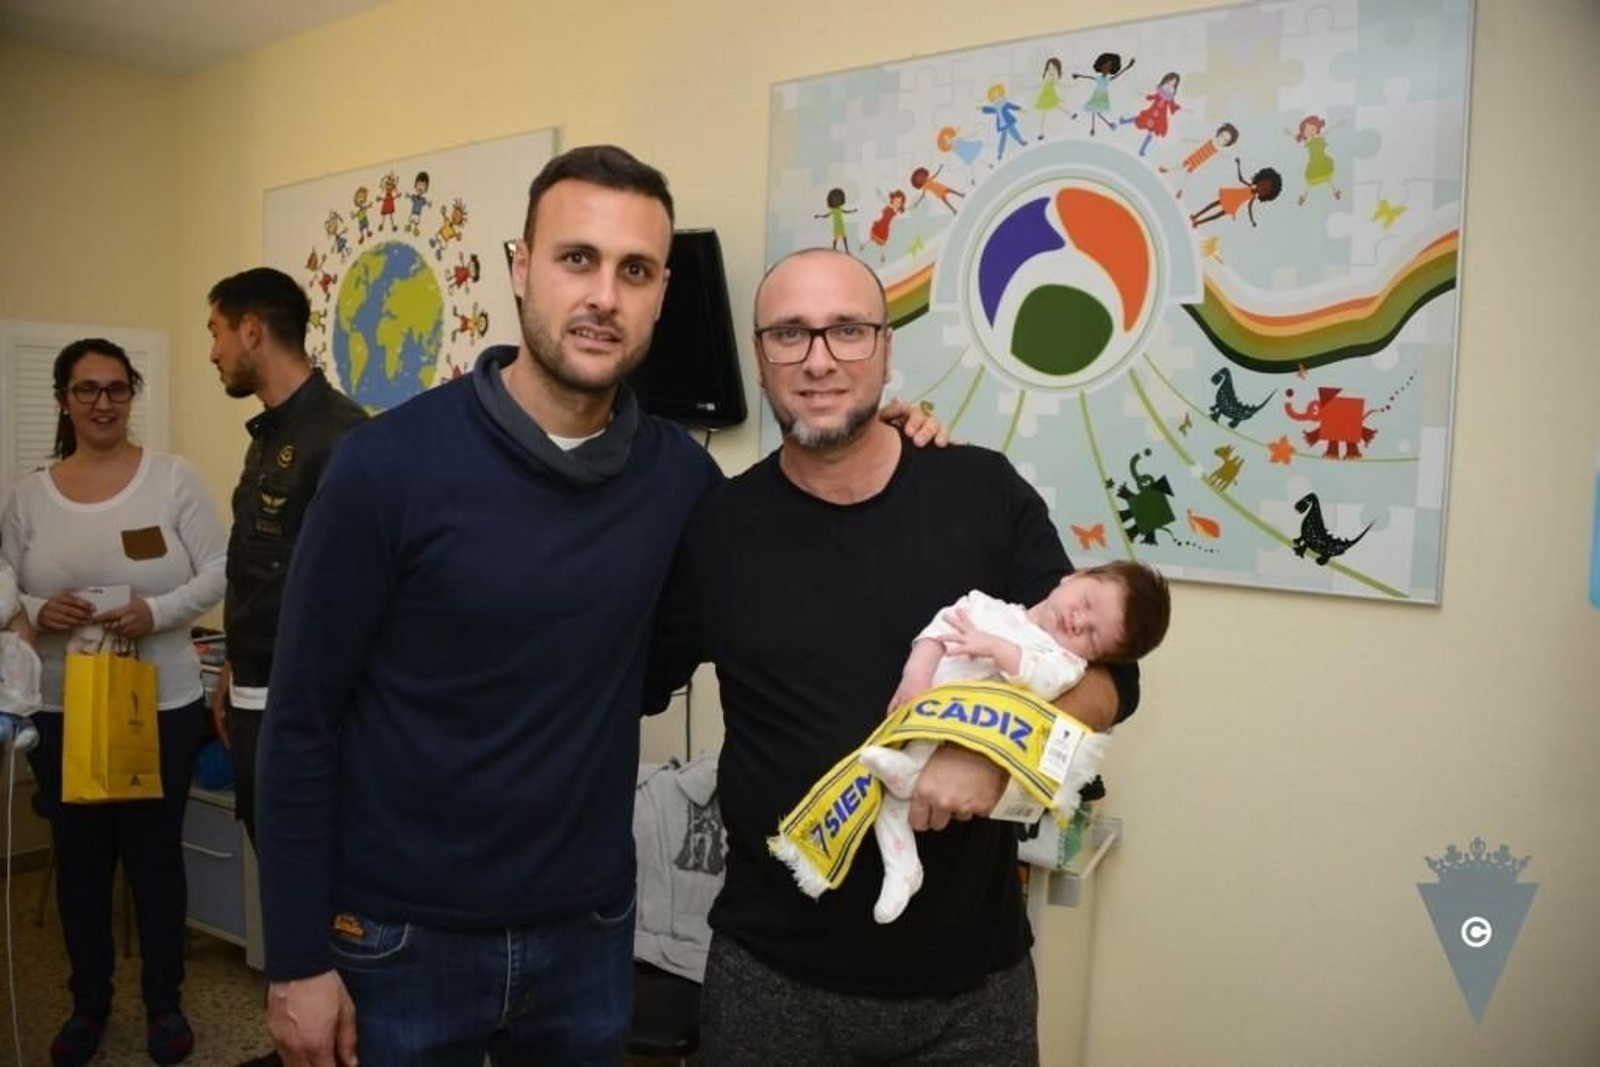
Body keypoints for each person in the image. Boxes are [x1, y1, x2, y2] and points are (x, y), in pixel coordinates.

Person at [254, 146, 943, 1067]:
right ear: (519, 268)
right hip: (399, 937)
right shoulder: (385, 468)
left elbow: (771, 549)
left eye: (636, 271)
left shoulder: (681, 482)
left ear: (661, 293)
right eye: (576, 258)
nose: (604, 296)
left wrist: (887, 444)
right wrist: (297, 960)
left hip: (587, 933)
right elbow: (300, 723)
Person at [644, 247, 1140, 1064]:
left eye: (847, 329)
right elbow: (627, 678)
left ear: (884, 347)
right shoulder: (719, 527)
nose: (819, 358)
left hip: (968, 996)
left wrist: (993, 752)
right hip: (770, 981)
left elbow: (1113, 677)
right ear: (760, 355)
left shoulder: (981, 490)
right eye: (788, 334)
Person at [0, 338, 228, 1066]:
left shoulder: (173, 479)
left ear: (133, 394)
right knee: (81, 862)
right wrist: (37, 605)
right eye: (87, 389)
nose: (103, 402)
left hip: (158, 704)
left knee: (154, 859)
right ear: (64, 399)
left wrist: (154, 611)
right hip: (65, 706)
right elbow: (4, 583)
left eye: (117, 388)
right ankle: (86, 1003)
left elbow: (224, 566)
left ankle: (165, 1003)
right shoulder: (30, 494)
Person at [864, 559, 1170, 923]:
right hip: (915, 711)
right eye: (1086, 603)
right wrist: (916, 673)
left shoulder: (1062, 662)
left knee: (899, 792)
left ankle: (902, 852)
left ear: (1094, 657)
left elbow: (1039, 679)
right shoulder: (988, 607)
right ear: (1075, 575)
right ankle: (903, 865)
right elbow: (939, 629)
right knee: (885, 807)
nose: (1077, 621)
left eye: (1091, 635)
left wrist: (995, 647)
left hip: (955, 729)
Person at [205, 267, 368, 853]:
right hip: (253, 696)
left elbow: (356, 590)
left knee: (313, 881)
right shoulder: (269, 434)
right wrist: (233, 661)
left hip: (304, 712)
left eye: (216, 332)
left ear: (251, 331)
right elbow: (262, 568)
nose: (212, 352)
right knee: (274, 869)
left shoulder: (343, 436)